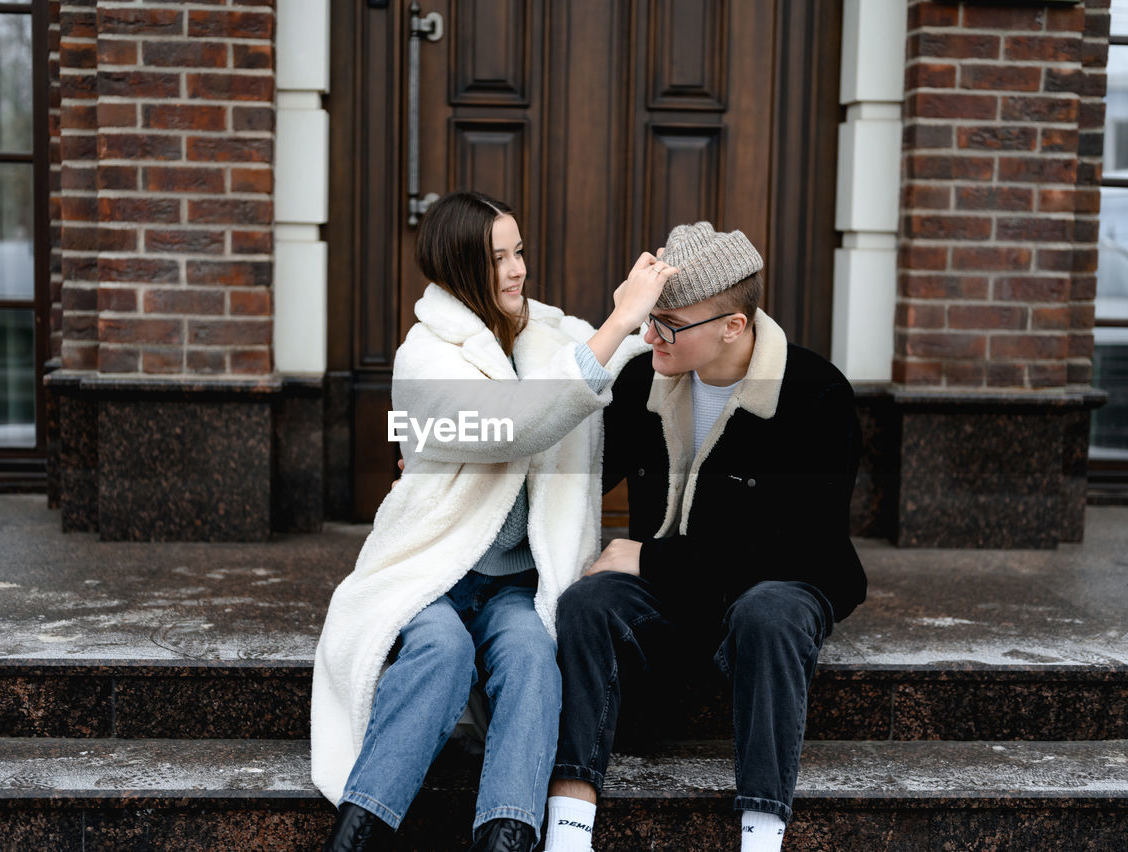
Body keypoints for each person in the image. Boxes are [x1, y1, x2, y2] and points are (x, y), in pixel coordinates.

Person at [311, 190, 676, 852]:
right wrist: (618, 320)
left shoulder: (545, 331)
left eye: (519, 253)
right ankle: (354, 838)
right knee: (442, 651)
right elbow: (513, 423)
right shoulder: (424, 357)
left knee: (536, 659)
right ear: (456, 269)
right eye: (495, 259)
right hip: (432, 573)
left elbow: (606, 365)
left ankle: (505, 839)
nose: (515, 271)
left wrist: (651, 322)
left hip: (513, 584)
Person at [543, 222, 867, 852]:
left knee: (769, 611)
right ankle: (569, 829)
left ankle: (762, 832)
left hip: (778, 590)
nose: (649, 334)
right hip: (671, 596)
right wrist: (451, 454)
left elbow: (798, 546)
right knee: (586, 603)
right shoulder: (642, 383)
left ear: (733, 327)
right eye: (648, 317)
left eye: (669, 322)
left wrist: (649, 556)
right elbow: (562, 463)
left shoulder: (815, 394)